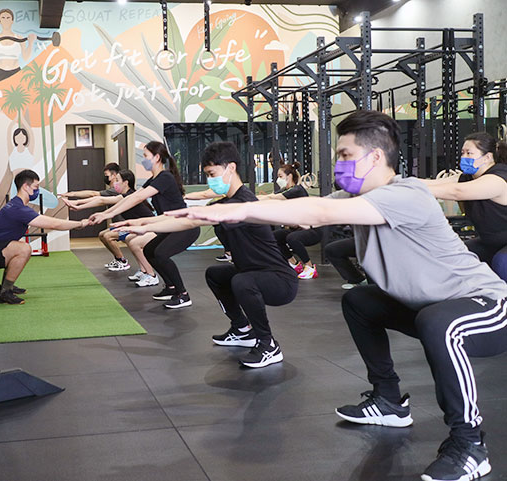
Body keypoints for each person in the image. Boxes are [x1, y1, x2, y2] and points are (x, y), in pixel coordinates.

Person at [168, 110, 507, 481]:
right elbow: (291, 211)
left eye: (345, 155)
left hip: (488, 306)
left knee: (438, 323)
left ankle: (470, 445)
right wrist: (167, 220)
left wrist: (233, 211)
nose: (339, 163)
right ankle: (389, 401)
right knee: (360, 301)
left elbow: (320, 210)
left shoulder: (404, 194)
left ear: (375, 157)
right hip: (433, 308)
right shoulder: (356, 194)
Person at [115, 142, 298, 367]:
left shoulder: (243, 201)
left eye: (212, 174)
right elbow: (186, 215)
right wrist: (142, 223)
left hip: (280, 281)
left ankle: (268, 344)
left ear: (231, 168)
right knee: (215, 274)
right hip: (253, 272)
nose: (210, 180)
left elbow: (191, 220)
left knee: (242, 281)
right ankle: (242, 329)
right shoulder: (228, 201)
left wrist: (145, 227)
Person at [89, 141, 199, 309]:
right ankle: (170, 287)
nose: (143, 159)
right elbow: (131, 197)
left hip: (184, 226)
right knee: (149, 250)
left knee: (161, 254)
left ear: (157, 157)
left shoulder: (165, 177)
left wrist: (108, 214)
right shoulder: (153, 180)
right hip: (169, 225)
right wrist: (106, 214)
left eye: (146, 156)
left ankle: (183, 294)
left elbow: (138, 198)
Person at [0, 170, 89, 304]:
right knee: (24, 249)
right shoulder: (18, 208)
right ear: (25, 187)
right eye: (36, 187)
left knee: (20, 244)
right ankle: (5, 293)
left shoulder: (16, 204)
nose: (38, 191)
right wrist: (80, 224)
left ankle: (5, 286)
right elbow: (54, 224)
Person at [423, 132, 507, 281]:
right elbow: (431, 183)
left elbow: (456, 192)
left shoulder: (498, 179)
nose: (464, 157)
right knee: (451, 255)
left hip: (503, 245)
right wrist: (396, 183)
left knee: (502, 263)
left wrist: (412, 190)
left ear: (487, 157)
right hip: (492, 242)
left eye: (469, 153)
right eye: (463, 153)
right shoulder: (467, 178)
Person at [63, 169, 159, 285]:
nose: (115, 183)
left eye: (117, 180)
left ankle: (150, 274)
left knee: (131, 241)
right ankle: (143, 271)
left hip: (149, 228)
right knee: (120, 237)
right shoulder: (124, 196)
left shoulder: (130, 196)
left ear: (126, 182)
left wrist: (78, 204)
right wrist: (79, 205)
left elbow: (101, 200)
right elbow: (102, 202)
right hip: (135, 227)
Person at [258, 162, 321, 280]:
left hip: (312, 230)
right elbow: (269, 196)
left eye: (280, 176)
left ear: (290, 176)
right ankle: (294, 264)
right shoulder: (284, 190)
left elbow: (272, 197)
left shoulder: (296, 190)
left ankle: (310, 267)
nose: (278, 179)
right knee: (274, 237)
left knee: (292, 238)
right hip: (298, 229)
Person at [0, 8, 37, 84]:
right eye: (3, 18)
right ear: (0, 21)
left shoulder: (19, 38)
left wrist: (31, 43)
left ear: (12, 20)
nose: (5, 20)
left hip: (15, 72)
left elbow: (25, 57)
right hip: (0, 73)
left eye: (8, 18)